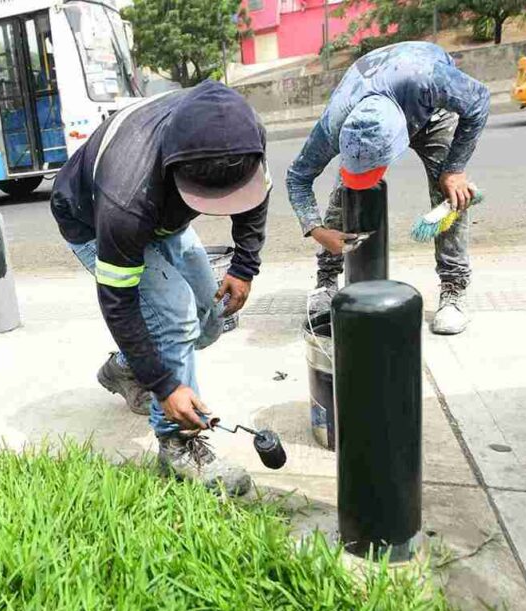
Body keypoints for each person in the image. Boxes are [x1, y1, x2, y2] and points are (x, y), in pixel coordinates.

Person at [51, 81, 271, 496]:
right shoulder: (126, 196)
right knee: (175, 316)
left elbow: (256, 198)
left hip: (163, 217)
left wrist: (244, 265)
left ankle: (126, 367)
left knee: (211, 319)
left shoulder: (243, 136)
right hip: (91, 220)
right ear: (174, 169)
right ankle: (176, 446)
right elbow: (118, 301)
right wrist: (166, 388)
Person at [286, 41, 490, 335]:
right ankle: (326, 280)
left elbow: (479, 100)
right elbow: (297, 177)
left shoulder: (431, 80)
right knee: (342, 197)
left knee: (450, 192)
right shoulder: (335, 124)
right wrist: (316, 229)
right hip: (377, 92)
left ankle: (454, 288)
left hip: (430, 109)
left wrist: (455, 169)